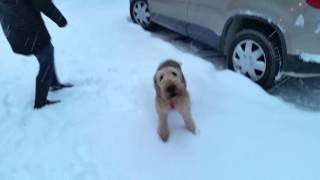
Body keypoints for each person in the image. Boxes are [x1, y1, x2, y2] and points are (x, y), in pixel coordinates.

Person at [0, 0, 73, 109]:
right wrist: (60, 19)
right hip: (31, 31)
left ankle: (53, 83)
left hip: (15, 33)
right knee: (46, 57)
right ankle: (40, 101)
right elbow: (44, 4)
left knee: (46, 54)